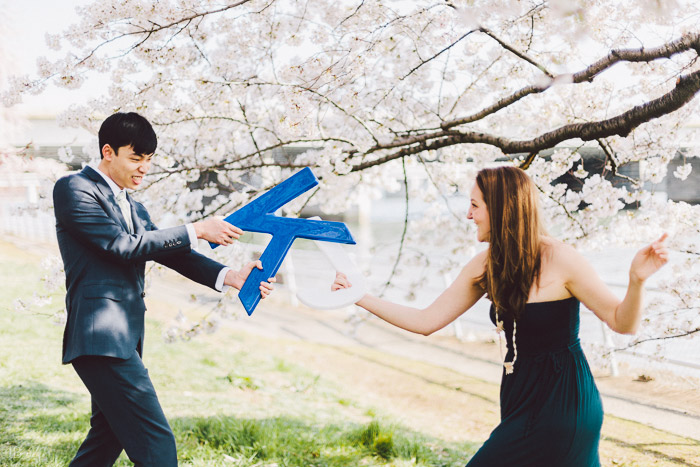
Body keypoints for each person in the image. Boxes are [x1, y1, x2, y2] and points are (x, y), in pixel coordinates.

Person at [333, 165, 669, 466]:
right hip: (519, 398)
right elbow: (426, 322)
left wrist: (636, 280)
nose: (469, 215)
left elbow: (622, 323)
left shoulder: (562, 258)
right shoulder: (484, 266)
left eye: (475, 205)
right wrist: (360, 296)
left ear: (502, 208)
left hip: (564, 404)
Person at [53, 111, 275, 467]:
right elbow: (121, 245)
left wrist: (230, 275)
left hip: (124, 339)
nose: (144, 168)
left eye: (149, 160)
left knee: (107, 438)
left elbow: (172, 254)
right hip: (99, 337)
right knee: (157, 446)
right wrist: (198, 228)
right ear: (108, 152)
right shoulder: (74, 188)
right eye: (136, 158)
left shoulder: (134, 207)